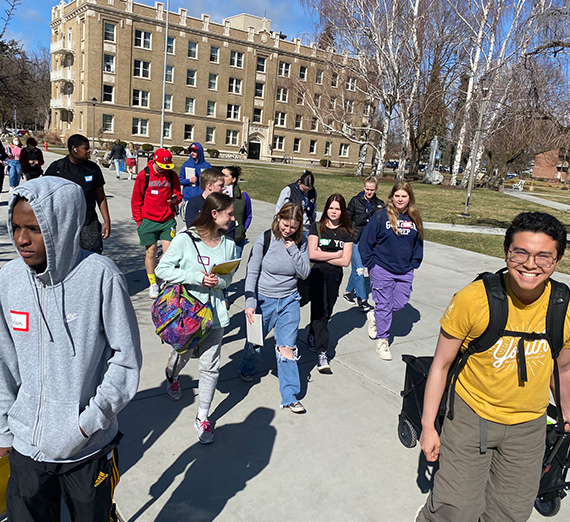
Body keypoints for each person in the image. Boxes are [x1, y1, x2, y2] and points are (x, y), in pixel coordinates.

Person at [0, 176, 142, 522]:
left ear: (60, 225)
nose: (21, 239)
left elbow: (125, 361)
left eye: (33, 228)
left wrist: (84, 425)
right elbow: (4, 361)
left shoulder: (100, 277)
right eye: (16, 227)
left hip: (87, 448)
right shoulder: (9, 279)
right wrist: (3, 428)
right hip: (26, 448)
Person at [417, 212, 570, 522]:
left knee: (510, 514)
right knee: (455, 511)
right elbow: (441, 365)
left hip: (529, 428)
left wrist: (567, 415)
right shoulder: (474, 300)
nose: (530, 264)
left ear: (557, 261)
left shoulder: (563, 307)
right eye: (521, 252)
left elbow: (563, 370)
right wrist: (429, 426)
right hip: (472, 417)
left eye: (544, 256)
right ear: (506, 251)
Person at [157, 193, 236, 444]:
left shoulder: (229, 245)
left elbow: (228, 280)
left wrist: (218, 281)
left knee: (210, 365)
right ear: (214, 214)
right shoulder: (185, 239)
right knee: (182, 355)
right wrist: (197, 277)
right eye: (229, 214)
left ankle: (203, 416)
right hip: (187, 314)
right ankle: (173, 375)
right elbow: (163, 269)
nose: (234, 219)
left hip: (214, 315)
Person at [238, 203, 311, 413]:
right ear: (278, 218)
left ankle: (290, 395)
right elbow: (251, 273)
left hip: (289, 300)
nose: (288, 230)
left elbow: (305, 272)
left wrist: (294, 249)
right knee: (255, 343)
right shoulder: (265, 239)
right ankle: (247, 367)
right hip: (263, 299)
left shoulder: (301, 241)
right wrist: (250, 303)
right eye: (286, 225)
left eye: (294, 227)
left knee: (287, 347)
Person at [359, 181, 424, 360]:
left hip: (404, 269)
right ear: (392, 197)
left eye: (404, 196)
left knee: (400, 303)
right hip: (381, 268)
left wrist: (414, 262)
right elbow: (366, 241)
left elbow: (418, 242)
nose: (400, 199)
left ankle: (375, 316)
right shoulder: (381, 216)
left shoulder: (414, 217)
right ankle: (382, 340)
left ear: (409, 197)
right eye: (397, 196)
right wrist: (370, 264)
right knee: (384, 304)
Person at [307, 194, 353, 372]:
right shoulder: (317, 228)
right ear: (326, 208)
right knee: (320, 310)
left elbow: (346, 261)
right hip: (317, 275)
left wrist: (324, 254)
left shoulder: (346, 232)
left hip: (335, 277)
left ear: (342, 211)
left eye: (337, 208)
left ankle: (312, 332)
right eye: (331, 208)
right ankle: (322, 351)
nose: (334, 211)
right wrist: (335, 254)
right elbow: (312, 254)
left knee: (328, 311)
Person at [44, 134, 111, 255]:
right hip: (64, 224)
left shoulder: (93, 169)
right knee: (64, 259)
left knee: (92, 258)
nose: (89, 151)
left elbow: (100, 197)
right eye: (85, 148)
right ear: (74, 149)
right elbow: (45, 196)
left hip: (88, 223)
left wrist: (107, 221)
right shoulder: (58, 168)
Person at [131, 148, 182, 299]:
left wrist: (175, 199)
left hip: (167, 220)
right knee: (151, 252)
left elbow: (179, 194)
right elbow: (136, 201)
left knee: (169, 254)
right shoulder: (144, 175)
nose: (163, 170)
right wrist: (139, 221)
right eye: (161, 166)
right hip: (148, 221)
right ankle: (153, 283)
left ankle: (162, 276)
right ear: (155, 161)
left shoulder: (172, 176)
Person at [343, 176, 384, 313]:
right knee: (360, 269)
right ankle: (362, 300)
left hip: (370, 241)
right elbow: (347, 218)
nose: (369, 192)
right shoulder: (355, 201)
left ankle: (348, 291)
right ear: (363, 188)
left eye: (372, 190)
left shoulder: (379, 204)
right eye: (367, 189)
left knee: (358, 267)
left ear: (376, 189)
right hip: (356, 239)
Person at [222, 165, 252, 259]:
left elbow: (249, 215)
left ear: (233, 179)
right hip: (220, 237)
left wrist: (243, 229)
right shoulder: (216, 194)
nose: (222, 178)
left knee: (234, 265)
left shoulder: (244, 196)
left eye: (225, 176)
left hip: (237, 238)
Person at [275, 170, 317, 237]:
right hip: (292, 228)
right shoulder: (289, 190)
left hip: (306, 228)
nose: (306, 191)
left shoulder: (312, 192)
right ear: (299, 182)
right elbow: (279, 209)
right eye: (304, 189)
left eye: (308, 189)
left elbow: (314, 209)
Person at [179, 142, 212, 217]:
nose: (192, 153)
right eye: (191, 151)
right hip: (188, 198)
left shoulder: (207, 166)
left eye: (195, 151)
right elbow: (180, 180)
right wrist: (189, 181)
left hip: (202, 198)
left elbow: (212, 180)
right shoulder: (186, 165)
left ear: (199, 152)